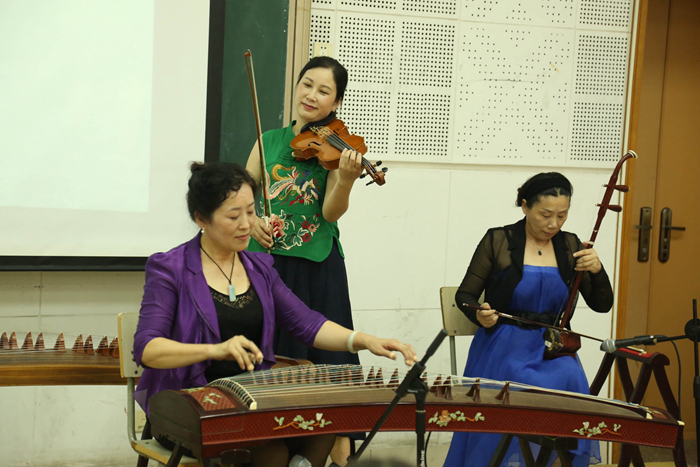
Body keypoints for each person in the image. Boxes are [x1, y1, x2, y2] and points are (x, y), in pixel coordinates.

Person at [133, 162, 417, 467]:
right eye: (233, 216)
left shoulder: (259, 268)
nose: (246, 224)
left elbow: (307, 323)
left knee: (323, 428)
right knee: (274, 453)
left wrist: (363, 340)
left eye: (251, 212)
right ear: (201, 218)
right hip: (187, 405)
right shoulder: (170, 269)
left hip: (251, 399)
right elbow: (147, 349)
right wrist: (215, 350)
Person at [443, 172, 613, 467]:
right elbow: (465, 294)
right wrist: (479, 313)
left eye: (562, 215)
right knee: (524, 382)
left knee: (572, 378)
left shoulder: (570, 245)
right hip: (504, 346)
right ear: (525, 206)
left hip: (552, 348)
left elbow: (602, 305)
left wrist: (597, 271)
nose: (554, 224)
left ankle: (556, 461)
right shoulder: (499, 240)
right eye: (545, 215)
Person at [246, 56, 364, 465]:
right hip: (267, 264)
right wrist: (252, 220)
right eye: (307, 84)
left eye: (324, 91)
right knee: (275, 366)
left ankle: (339, 449)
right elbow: (242, 196)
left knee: (330, 367)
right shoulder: (267, 140)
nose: (312, 95)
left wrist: (346, 179)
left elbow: (330, 212)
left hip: (316, 264)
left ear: (336, 102)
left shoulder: (337, 148)